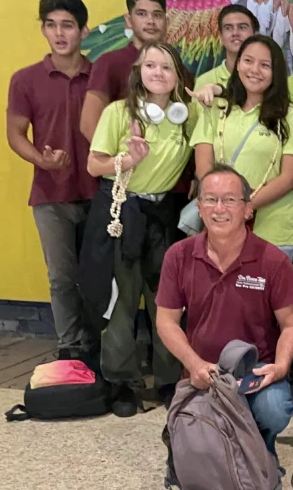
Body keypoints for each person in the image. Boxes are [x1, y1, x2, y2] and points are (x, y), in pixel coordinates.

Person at [79, 43, 203, 417]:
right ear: (139, 70)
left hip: (163, 213)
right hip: (122, 211)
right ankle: (122, 382)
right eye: (150, 65)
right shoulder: (119, 112)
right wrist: (125, 159)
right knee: (122, 299)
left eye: (167, 66)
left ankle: (168, 379)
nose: (158, 73)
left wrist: (210, 94)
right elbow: (92, 165)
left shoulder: (189, 114)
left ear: (178, 75)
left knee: (166, 300)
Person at [155, 164, 293, 460]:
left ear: (248, 209)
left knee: (273, 410)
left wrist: (281, 367)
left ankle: (261, 447)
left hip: (256, 371)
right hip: (202, 372)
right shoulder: (178, 256)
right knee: (199, 453)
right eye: (210, 199)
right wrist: (194, 364)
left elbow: (291, 325)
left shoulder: (273, 261)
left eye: (230, 200)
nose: (219, 208)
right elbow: (166, 320)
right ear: (198, 207)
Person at [6, 0, 97, 358]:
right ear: (43, 30)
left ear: (83, 31)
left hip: (99, 193)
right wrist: (40, 160)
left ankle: (99, 348)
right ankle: (70, 348)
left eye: (68, 26)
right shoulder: (25, 80)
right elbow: (15, 133)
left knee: (96, 278)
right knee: (62, 278)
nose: (60, 33)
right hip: (50, 195)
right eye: (51, 25)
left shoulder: (101, 76)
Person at [190, 35, 293, 258]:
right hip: (220, 224)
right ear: (238, 64)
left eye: (265, 65)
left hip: (273, 232)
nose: (255, 70)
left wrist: (244, 205)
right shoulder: (217, 107)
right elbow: (203, 165)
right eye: (248, 61)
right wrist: (223, 205)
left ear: (277, 72)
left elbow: (289, 178)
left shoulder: (291, 116)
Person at [81, 0, 175, 140]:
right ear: (129, 20)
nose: (150, 21)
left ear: (167, 21)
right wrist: (117, 160)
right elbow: (89, 123)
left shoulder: (176, 65)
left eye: (157, 15)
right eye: (142, 14)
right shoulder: (110, 63)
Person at [194, 4, 259, 90]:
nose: (235, 33)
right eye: (228, 28)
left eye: (242, 27)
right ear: (221, 37)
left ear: (254, 34)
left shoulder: (267, 80)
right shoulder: (205, 82)